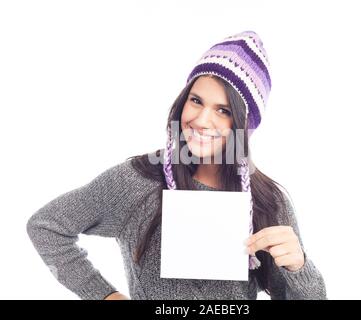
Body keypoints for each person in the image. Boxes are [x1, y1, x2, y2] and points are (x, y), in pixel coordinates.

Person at [26, 31, 327, 300]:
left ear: (244, 125)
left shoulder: (268, 201)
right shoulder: (137, 181)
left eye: (223, 110)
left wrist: (299, 266)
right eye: (196, 101)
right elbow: (47, 227)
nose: (201, 119)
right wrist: (105, 296)